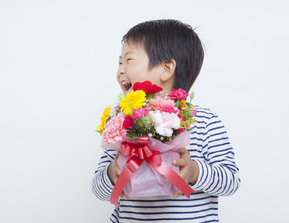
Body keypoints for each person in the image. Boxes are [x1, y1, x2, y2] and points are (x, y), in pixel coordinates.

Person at [92, 19, 241, 222]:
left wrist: (195, 172)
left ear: (166, 68)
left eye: (128, 60)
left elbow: (231, 181)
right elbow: (99, 191)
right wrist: (112, 173)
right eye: (119, 62)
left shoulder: (204, 121)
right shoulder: (121, 124)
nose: (120, 70)